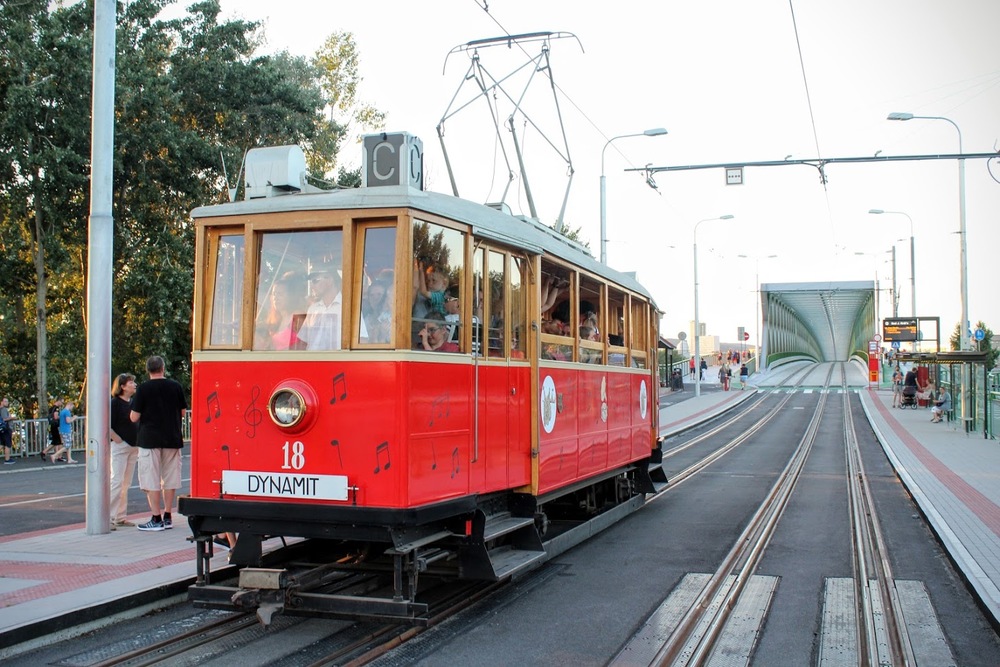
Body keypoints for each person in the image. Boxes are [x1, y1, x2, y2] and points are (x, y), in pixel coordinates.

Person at [130, 356, 187, 532]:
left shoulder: (143, 389)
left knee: (151, 478)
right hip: (172, 437)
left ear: (148, 370)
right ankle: (168, 515)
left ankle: (156, 518)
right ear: (163, 368)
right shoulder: (175, 386)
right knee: (170, 478)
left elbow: (134, 417)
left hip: (149, 439)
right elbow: (183, 412)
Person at [299, 263, 367, 350]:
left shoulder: (348, 308)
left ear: (330, 280)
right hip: (312, 358)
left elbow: (362, 340)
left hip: (338, 358)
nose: (312, 286)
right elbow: (303, 342)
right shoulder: (312, 309)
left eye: (315, 280)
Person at [109, 373, 139, 529]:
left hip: (133, 446)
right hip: (121, 446)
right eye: (131, 382)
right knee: (117, 481)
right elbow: (107, 424)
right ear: (122, 386)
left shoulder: (133, 402)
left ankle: (120, 516)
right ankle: (108, 517)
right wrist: (117, 438)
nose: (134, 385)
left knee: (126, 483)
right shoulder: (114, 403)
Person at [260, 271, 308, 350]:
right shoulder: (276, 319)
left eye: (280, 294)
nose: (276, 297)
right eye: (274, 294)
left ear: (290, 296)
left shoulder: (298, 316)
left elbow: (301, 345)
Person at [1, 398, 14, 464]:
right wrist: (12, 418)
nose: (7, 403)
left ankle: (7, 458)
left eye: (7, 401)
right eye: (5, 401)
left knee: (2, 444)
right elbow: (4, 419)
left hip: (3, 429)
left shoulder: (2, 409)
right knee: (7, 444)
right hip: (6, 429)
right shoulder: (3, 409)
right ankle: (7, 459)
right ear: (2, 402)